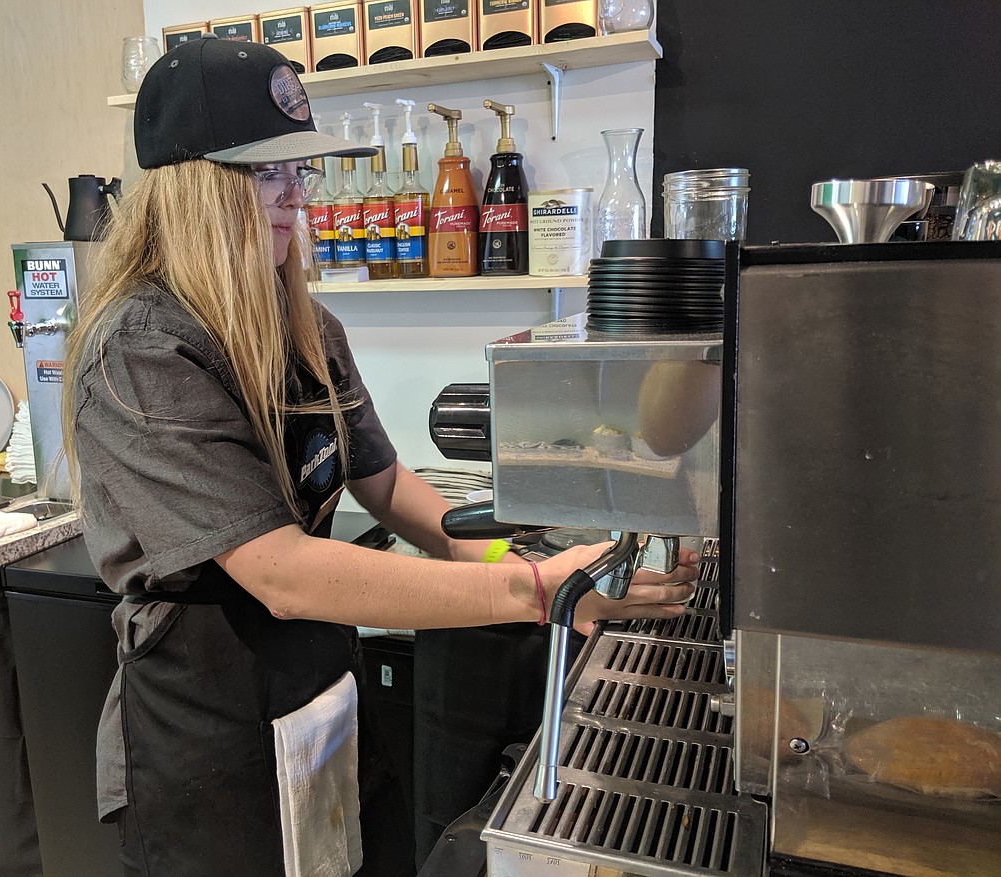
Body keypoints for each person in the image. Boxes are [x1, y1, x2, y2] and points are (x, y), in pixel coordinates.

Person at [61, 35, 700, 877]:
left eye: (303, 173)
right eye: (269, 175)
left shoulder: (308, 329)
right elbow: (281, 572)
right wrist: (536, 591)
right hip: (203, 736)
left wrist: (525, 558)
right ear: (194, 188)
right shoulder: (141, 349)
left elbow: (390, 484)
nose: (298, 198)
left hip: (322, 695)